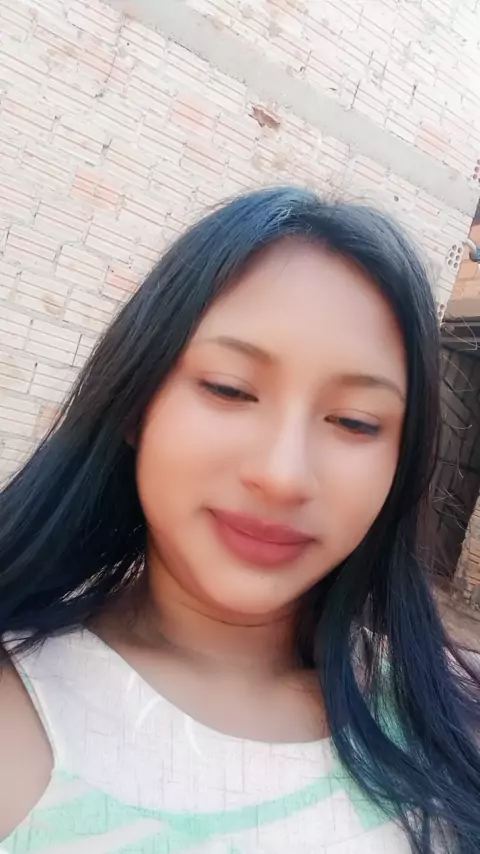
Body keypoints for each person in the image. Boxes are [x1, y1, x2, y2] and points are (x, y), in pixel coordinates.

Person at [0, 187, 479, 854]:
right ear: (137, 401)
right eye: (229, 389)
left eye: (354, 422)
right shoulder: (24, 709)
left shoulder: (449, 719)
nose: (283, 476)